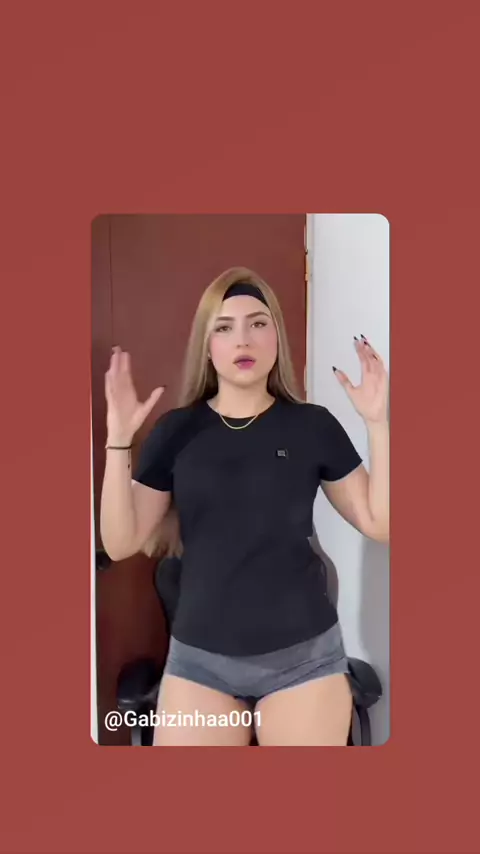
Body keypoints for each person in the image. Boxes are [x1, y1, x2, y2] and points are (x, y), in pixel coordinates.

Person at [100, 266, 389, 746]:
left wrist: (378, 423)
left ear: (276, 338)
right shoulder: (176, 431)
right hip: (199, 666)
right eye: (224, 327)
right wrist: (118, 440)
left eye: (257, 323)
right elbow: (119, 542)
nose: (243, 339)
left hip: (305, 661)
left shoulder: (312, 426)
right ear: (207, 346)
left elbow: (381, 524)